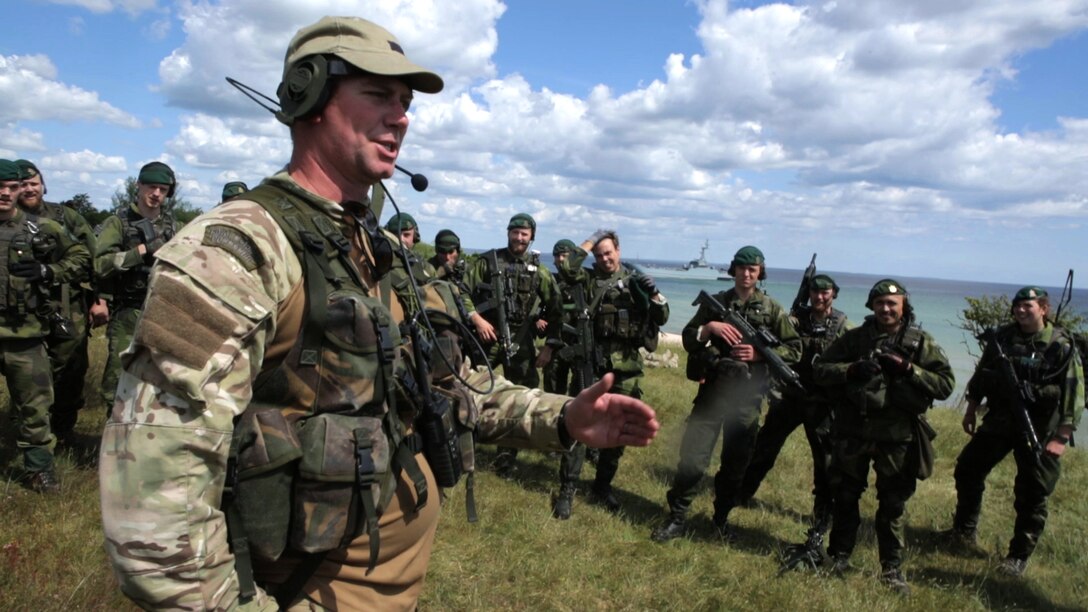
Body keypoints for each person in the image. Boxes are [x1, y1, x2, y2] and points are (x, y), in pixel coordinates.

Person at [99, 16, 659, 611]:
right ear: (307, 95)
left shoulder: (377, 251)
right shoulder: (238, 250)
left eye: (405, 102)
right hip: (304, 589)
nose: (401, 118)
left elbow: (451, 387)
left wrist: (563, 417)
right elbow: (153, 518)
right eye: (377, 96)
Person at [812, 279, 954, 595]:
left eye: (892, 303)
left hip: (897, 437)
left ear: (903, 307)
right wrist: (850, 371)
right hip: (853, 430)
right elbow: (820, 370)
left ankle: (891, 569)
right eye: (880, 303)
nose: (886, 308)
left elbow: (945, 385)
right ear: (871, 306)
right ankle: (839, 556)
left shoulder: (919, 343)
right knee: (845, 496)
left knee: (893, 505)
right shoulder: (856, 338)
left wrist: (908, 369)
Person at [652, 246, 801, 542]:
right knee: (692, 460)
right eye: (742, 268)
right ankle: (677, 517)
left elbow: (794, 349)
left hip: (746, 401)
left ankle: (720, 520)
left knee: (735, 466)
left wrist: (759, 354)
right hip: (712, 395)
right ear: (733, 270)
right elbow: (688, 338)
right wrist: (709, 328)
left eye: (753, 269)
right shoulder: (716, 303)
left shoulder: (772, 309)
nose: (747, 274)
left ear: (760, 273)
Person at [946, 286, 1083, 577]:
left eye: (1028, 306)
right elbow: (983, 373)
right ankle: (963, 532)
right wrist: (971, 408)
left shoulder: (1060, 344)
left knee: (1032, 492)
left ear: (1043, 309)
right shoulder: (1004, 337)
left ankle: (1018, 556)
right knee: (968, 469)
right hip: (1000, 421)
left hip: (1039, 428)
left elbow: (1074, 392)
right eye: (1017, 305)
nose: (1020, 310)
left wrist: (1062, 436)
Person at [549, 230, 668, 518]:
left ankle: (602, 487)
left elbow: (662, 316)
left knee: (621, 430)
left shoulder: (635, 279)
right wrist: (591, 239)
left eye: (608, 252)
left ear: (618, 250)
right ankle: (568, 489)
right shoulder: (588, 280)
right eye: (598, 254)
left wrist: (653, 293)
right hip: (594, 366)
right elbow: (566, 268)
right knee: (579, 427)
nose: (604, 258)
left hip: (627, 369)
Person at [0, 159, 90, 492]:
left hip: (24, 333)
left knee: (35, 405)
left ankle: (38, 468)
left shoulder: (39, 228)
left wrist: (48, 272)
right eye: (2, 187)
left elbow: (81, 256)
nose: (7, 194)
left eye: (11, 187)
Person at [740, 274, 848, 547]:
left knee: (825, 462)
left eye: (825, 293)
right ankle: (741, 493)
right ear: (809, 293)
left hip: (821, 403)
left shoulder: (843, 325)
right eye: (815, 292)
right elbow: (778, 344)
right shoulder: (796, 319)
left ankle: (822, 515)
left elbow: (850, 361)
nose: (820, 297)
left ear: (833, 294)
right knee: (764, 447)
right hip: (790, 397)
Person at [463, 212, 563, 476]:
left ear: (531, 238)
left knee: (521, 400)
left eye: (525, 234)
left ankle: (506, 457)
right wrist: (476, 319)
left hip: (521, 343)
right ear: (508, 233)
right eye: (515, 232)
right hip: (487, 339)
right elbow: (460, 291)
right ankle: (464, 446)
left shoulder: (539, 272)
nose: (519, 238)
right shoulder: (487, 262)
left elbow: (556, 309)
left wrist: (549, 347)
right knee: (467, 390)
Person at [14, 159, 97, 440]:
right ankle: (28, 430)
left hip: (66, 305)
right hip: (20, 308)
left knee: (71, 369)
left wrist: (99, 300)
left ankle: (62, 430)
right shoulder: (7, 221)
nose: (29, 189)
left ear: (43, 185)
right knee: (26, 372)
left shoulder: (65, 218)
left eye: (33, 183)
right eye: (22, 184)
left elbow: (90, 258)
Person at [94, 161, 177, 411]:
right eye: (151, 187)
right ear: (138, 186)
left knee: (157, 379)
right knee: (118, 379)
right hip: (128, 311)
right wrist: (141, 251)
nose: (156, 194)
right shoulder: (118, 222)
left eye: (163, 190)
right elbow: (100, 264)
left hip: (161, 311)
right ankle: (110, 437)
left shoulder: (172, 226)